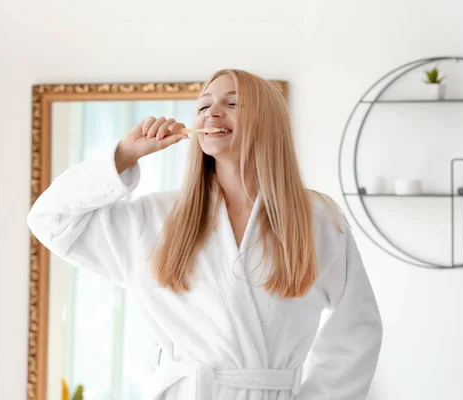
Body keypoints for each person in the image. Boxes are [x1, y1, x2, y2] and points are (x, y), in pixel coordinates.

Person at [27, 69, 383, 400]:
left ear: (269, 122)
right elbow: (49, 219)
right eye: (203, 105)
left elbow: (357, 326)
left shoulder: (315, 218)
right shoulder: (155, 219)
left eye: (232, 103)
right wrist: (124, 155)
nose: (211, 113)